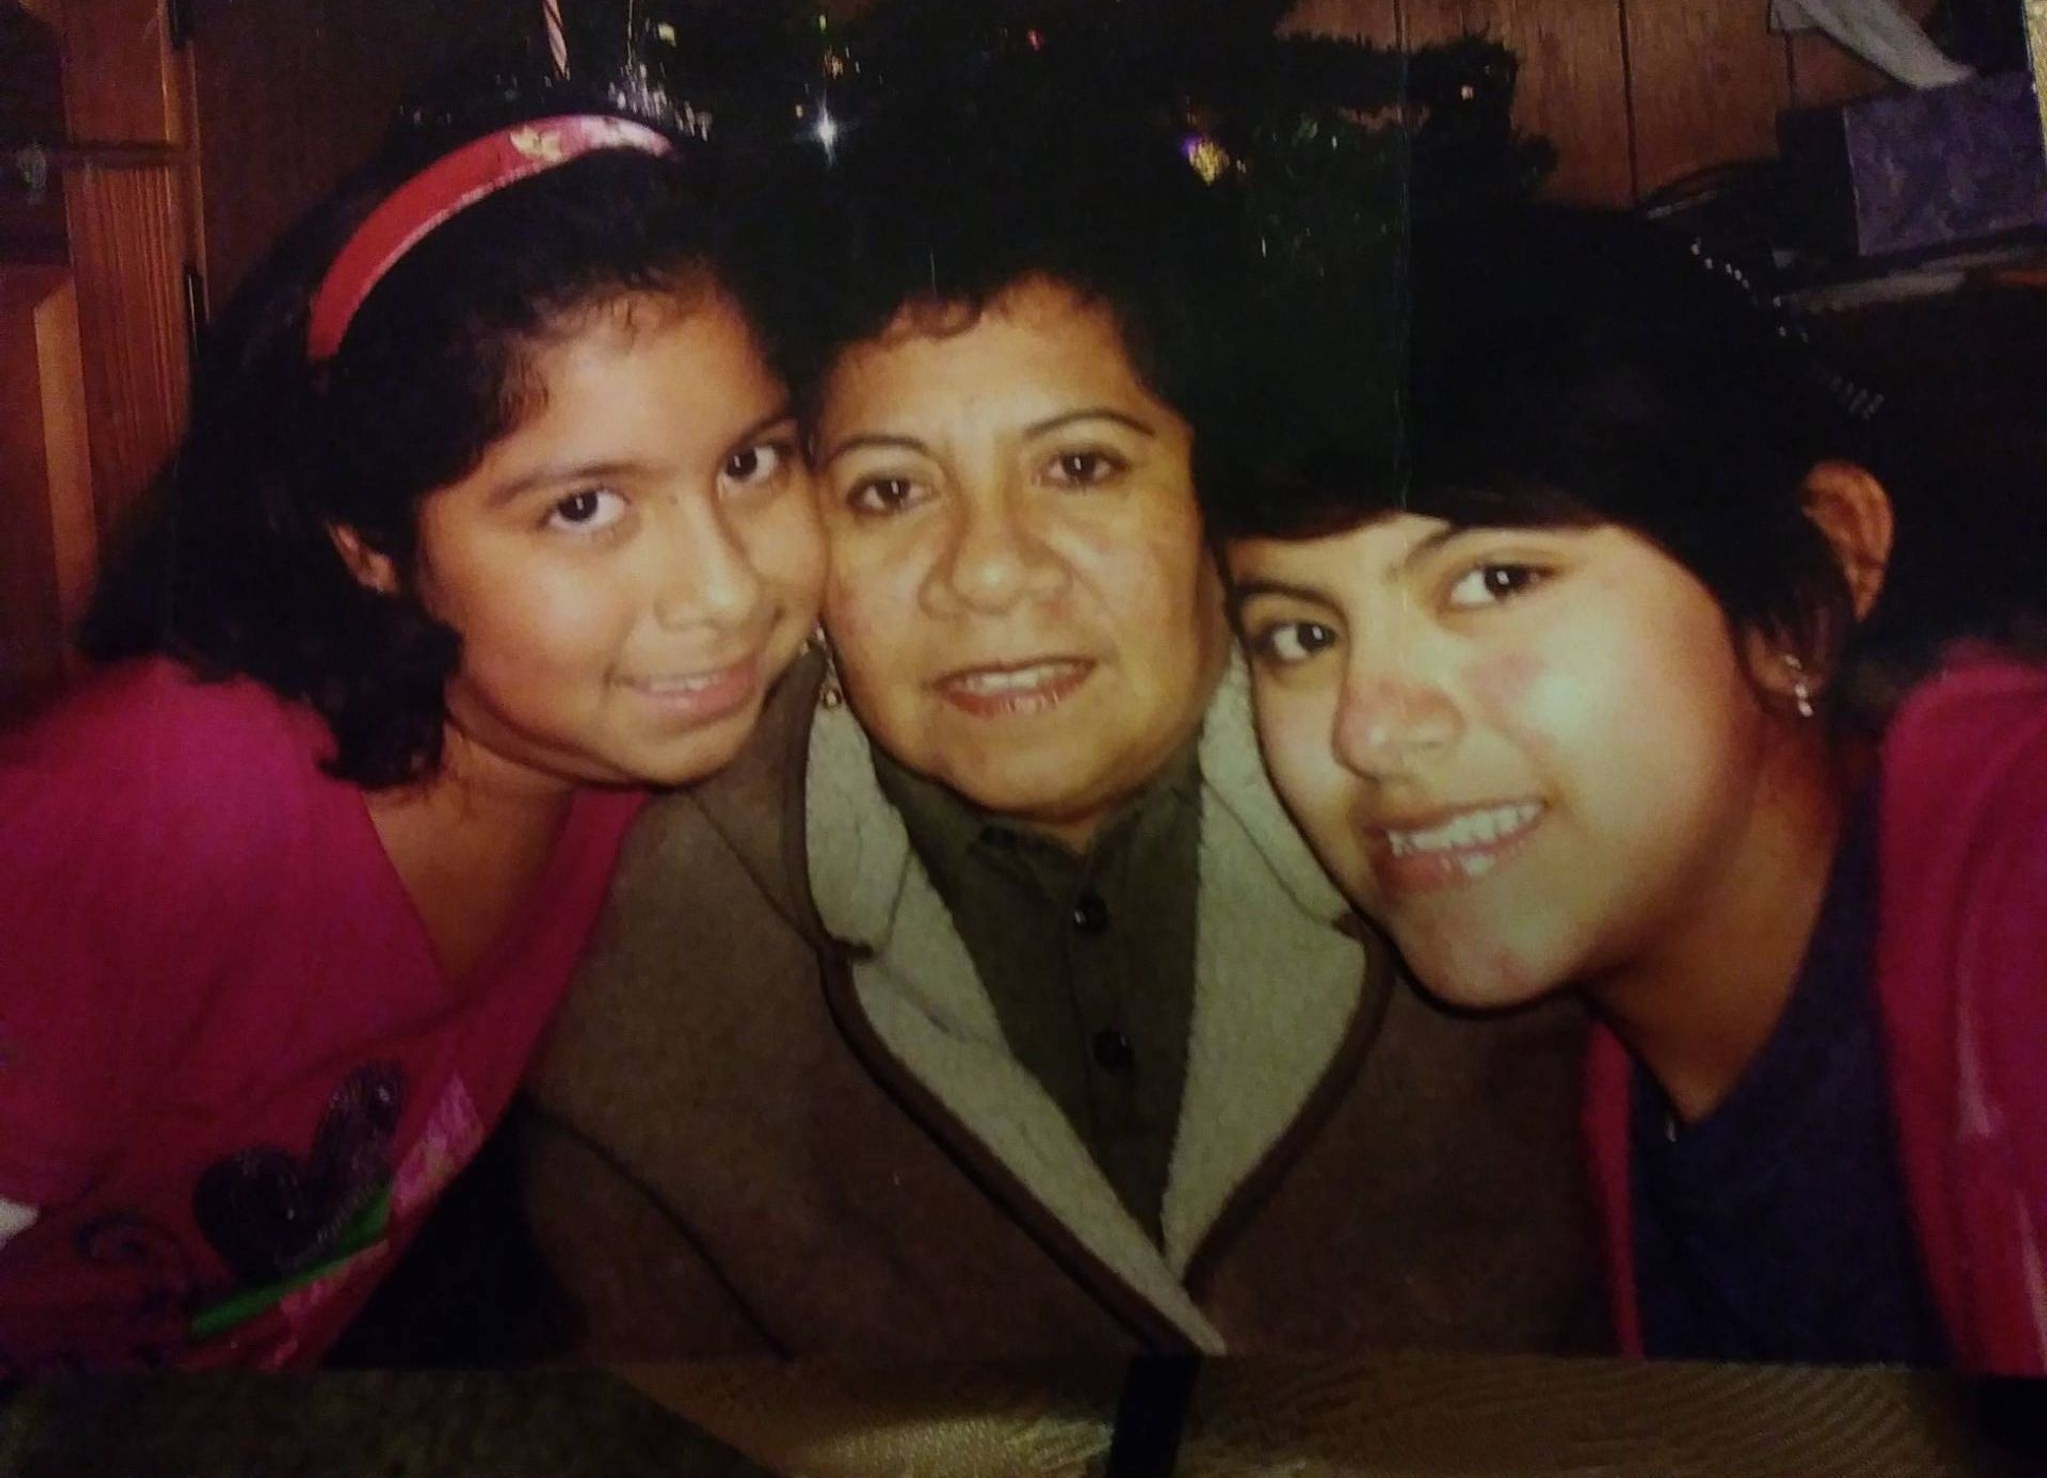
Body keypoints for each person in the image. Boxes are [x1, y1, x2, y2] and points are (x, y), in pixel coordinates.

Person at [517, 80, 1605, 1358]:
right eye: (889, 490)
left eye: (1079, 466)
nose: (987, 570)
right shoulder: (647, 959)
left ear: (1215, 498)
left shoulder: (1468, 805)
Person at [0, 101, 825, 1371]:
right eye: (586, 506)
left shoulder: (616, 765)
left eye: (754, 463)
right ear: (371, 545)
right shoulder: (155, 802)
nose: (720, 593)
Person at [1206, 202, 2047, 1371]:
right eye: (1297, 635)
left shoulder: (2014, 899)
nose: (1369, 728)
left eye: (1494, 577)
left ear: (1805, 585)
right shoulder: (1620, 1097)